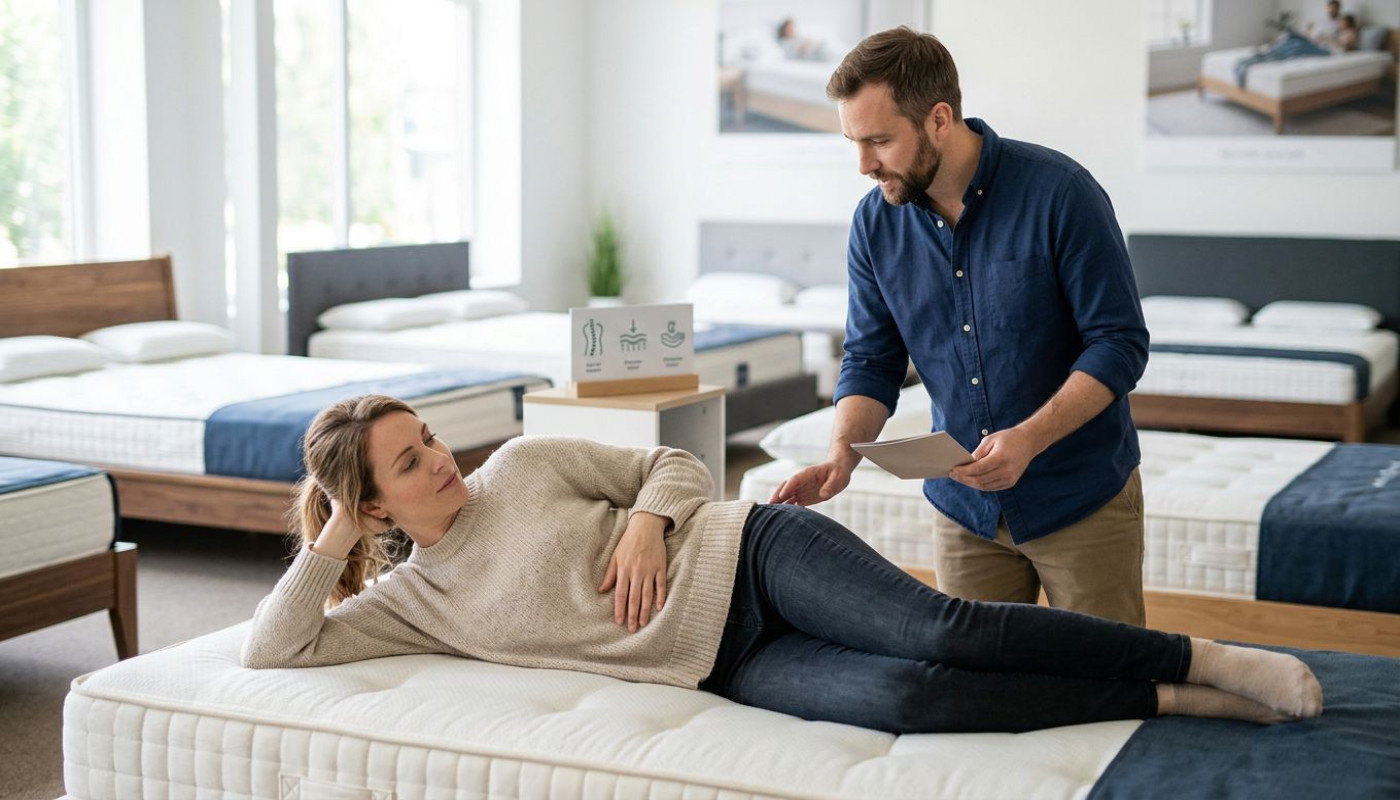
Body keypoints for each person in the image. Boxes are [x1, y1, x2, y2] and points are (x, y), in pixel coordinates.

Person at [241, 395, 1324, 734]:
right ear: (371, 500)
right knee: (907, 697)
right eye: (408, 461)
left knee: (938, 630)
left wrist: (642, 524)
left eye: (427, 436)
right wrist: (330, 536)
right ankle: (1166, 694)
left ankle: (1212, 654)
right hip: (719, 663)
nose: (439, 458)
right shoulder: (409, 600)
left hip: (752, 553)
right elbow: (276, 646)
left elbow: (672, 460)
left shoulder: (523, 462)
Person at [770, 27, 1151, 624]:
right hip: (963, 510)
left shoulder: (1060, 193)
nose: (864, 164)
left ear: (939, 120)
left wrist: (1027, 439)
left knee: (1109, 683)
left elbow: (1119, 344)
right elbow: (871, 359)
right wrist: (842, 457)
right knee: (976, 695)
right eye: (853, 141)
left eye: (879, 141)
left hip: (1079, 498)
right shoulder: (875, 224)